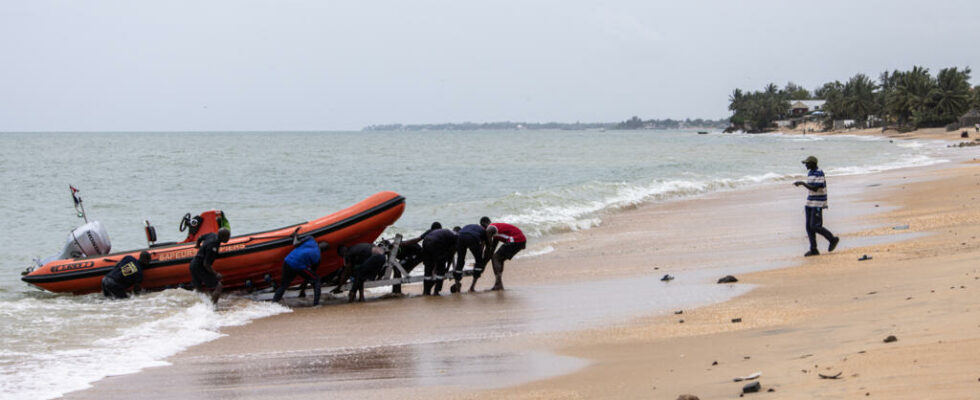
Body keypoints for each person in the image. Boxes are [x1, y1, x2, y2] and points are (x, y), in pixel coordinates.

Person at [794, 156, 840, 257]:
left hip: (818, 203)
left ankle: (832, 239)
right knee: (809, 227)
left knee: (815, 226)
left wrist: (802, 183)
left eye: (807, 163)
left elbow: (815, 188)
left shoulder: (819, 172)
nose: (805, 165)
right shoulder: (810, 173)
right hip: (810, 202)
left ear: (813, 163)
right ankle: (813, 249)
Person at [272, 232, 328, 306]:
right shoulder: (318, 258)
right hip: (299, 267)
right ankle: (316, 304)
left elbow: (296, 244)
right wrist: (302, 290)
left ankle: (273, 303)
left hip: (288, 261)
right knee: (316, 279)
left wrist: (295, 236)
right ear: (324, 251)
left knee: (284, 285)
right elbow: (310, 276)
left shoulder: (311, 239)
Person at [189, 227, 230, 304]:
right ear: (223, 237)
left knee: (199, 290)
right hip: (199, 266)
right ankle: (212, 307)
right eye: (228, 236)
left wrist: (198, 245)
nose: (229, 238)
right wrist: (216, 274)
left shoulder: (212, 235)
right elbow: (206, 264)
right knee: (218, 286)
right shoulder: (213, 247)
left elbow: (200, 237)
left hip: (193, 264)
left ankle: (201, 307)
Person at [483, 222, 526, 291]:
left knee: (495, 258)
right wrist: (485, 262)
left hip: (515, 239)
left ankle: (498, 284)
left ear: (484, 225)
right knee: (498, 258)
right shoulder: (496, 232)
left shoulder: (489, 229)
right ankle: (498, 284)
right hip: (520, 240)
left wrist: (483, 262)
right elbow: (492, 250)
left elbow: (488, 247)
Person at [452, 222, 488, 293]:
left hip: (461, 236)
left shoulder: (469, 226)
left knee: (460, 261)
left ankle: (457, 286)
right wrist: (482, 260)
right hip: (472, 237)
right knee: (478, 261)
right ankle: (472, 287)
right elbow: (486, 246)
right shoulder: (483, 231)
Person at [421, 228, 457, 295]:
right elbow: (451, 254)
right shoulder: (456, 236)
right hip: (436, 242)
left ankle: (426, 291)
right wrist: (447, 267)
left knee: (428, 268)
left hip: (426, 240)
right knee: (441, 269)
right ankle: (436, 291)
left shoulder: (447, 231)